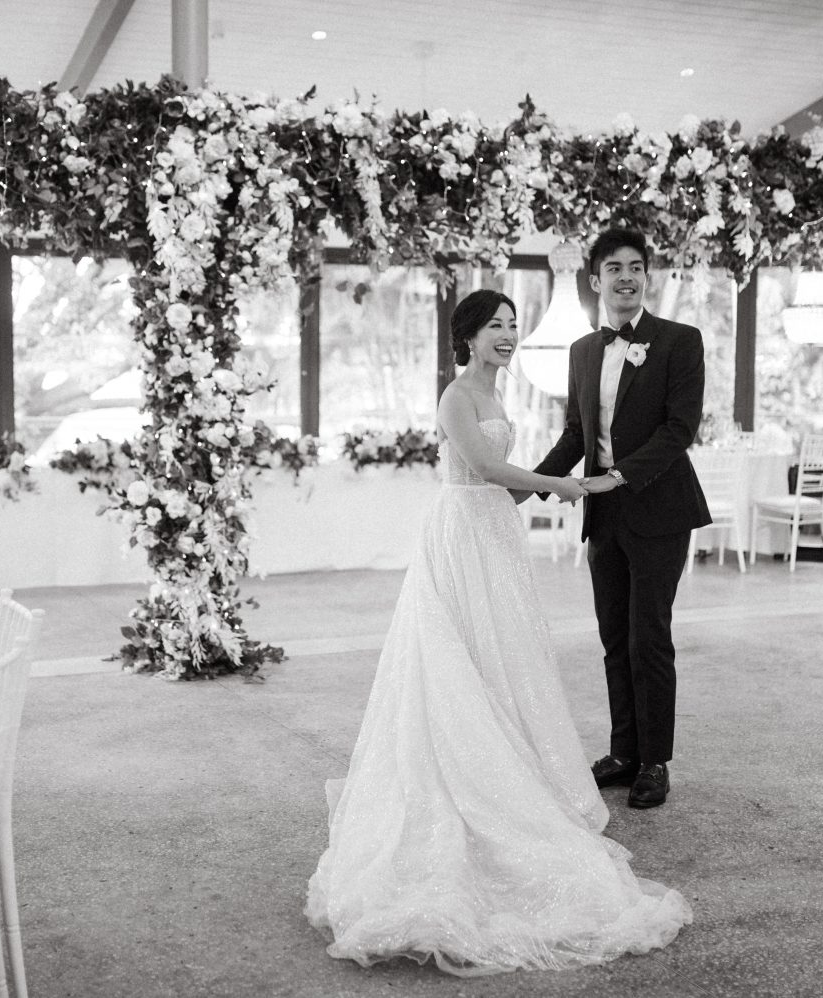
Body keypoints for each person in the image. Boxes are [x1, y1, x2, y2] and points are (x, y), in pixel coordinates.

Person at [305, 289, 691, 976]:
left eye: (513, 325)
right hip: (461, 532)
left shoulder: (495, 392)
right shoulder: (458, 395)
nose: (508, 335)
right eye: (495, 326)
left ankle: (520, 756)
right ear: (468, 336)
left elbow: (503, 479)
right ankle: (466, 770)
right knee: (457, 653)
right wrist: (558, 485)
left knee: (503, 654)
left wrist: (533, 489)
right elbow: (482, 470)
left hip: (493, 529)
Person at [531, 228, 712, 809]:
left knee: (647, 638)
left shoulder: (680, 341)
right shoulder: (583, 351)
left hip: (660, 510)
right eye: (614, 268)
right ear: (595, 280)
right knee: (613, 638)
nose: (626, 277)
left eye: (636, 267)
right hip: (604, 516)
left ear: (647, 277)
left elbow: (679, 430)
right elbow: (576, 434)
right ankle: (623, 752)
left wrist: (618, 476)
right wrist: (528, 484)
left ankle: (655, 760)